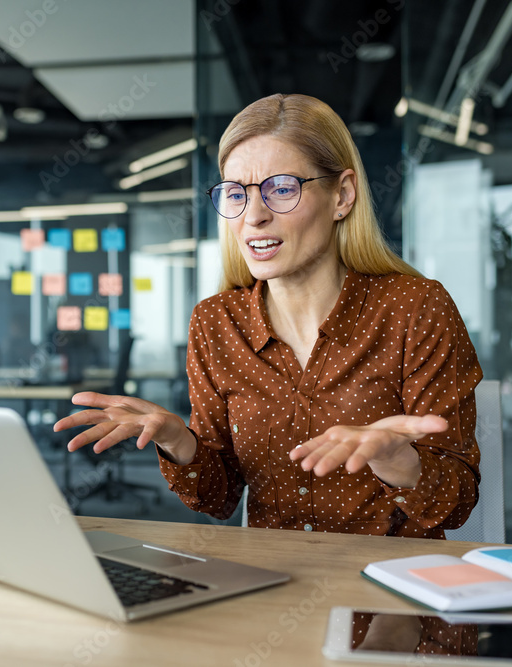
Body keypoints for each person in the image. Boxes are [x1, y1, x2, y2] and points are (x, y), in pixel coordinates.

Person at [54, 93, 482, 538]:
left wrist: (396, 459)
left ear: (343, 195)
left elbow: (457, 505)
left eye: (281, 189)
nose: (253, 216)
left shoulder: (414, 308)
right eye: (236, 194)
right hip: (272, 582)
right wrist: (178, 440)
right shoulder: (216, 323)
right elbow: (219, 499)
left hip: (390, 589)